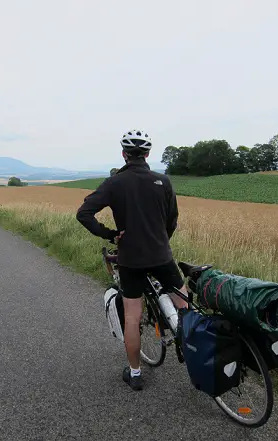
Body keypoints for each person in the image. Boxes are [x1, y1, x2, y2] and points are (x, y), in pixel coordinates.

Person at [76, 129, 190, 391]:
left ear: (124, 154)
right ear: (148, 154)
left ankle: (136, 373)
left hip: (130, 260)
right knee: (185, 307)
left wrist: (111, 234)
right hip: (162, 256)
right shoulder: (163, 181)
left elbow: (84, 213)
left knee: (132, 318)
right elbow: (172, 221)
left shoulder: (115, 182)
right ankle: (194, 347)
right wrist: (162, 241)